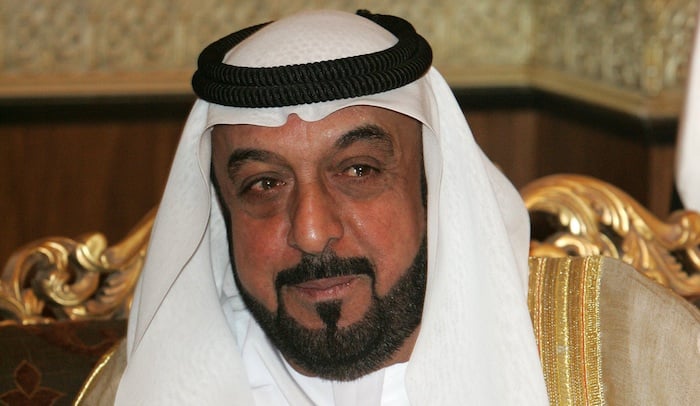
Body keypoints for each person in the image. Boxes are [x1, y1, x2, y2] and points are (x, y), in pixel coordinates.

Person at [77, 8, 700, 406]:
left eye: (359, 171)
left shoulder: (622, 348)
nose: (311, 231)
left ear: (435, 186)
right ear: (221, 208)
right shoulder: (140, 384)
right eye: (264, 185)